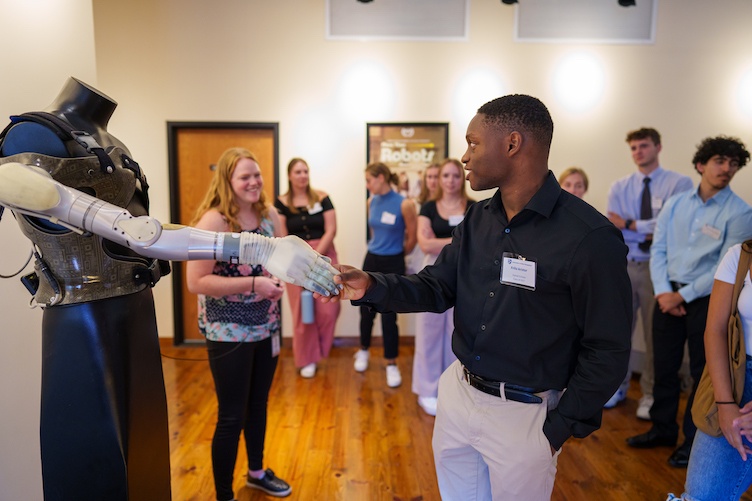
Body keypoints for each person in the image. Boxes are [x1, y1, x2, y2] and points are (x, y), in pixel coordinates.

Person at [323, 95, 632, 500]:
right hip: (458, 393)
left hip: (525, 415)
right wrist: (371, 285)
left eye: (473, 143)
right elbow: (437, 285)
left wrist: (558, 428)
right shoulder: (478, 218)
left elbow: (608, 348)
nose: (465, 158)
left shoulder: (589, 238)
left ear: (512, 144)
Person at [627, 136, 752, 469]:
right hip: (666, 295)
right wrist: (665, 292)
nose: (727, 169)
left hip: (708, 301)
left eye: (734, 163)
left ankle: (689, 441)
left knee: (701, 374)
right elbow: (660, 249)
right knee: (663, 367)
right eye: (720, 161)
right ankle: (662, 429)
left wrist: (681, 295)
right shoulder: (676, 203)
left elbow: (726, 267)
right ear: (701, 164)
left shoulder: (740, 212)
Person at [186, 147, 292, 500]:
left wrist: (276, 282)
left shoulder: (270, 217)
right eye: (244, 177)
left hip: (266, 326)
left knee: (258, 405)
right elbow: (196, 282)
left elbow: (280, 263)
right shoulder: (214, 223)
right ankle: (223, 494)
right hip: (227, 332)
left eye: (256, 175)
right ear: (228, 182)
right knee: (232, 415)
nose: (253, 182)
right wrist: (253, 284)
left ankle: (257, 472)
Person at [606, 128, 693, 416]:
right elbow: (613, 226)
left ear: (658, 147)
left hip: (659, 268)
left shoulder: (679, 184)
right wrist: (648, 228)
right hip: (625, 266)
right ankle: (617, 387)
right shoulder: (620, 187)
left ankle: (650, 395)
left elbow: (672, 226)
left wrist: (631, 225)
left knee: (656, 338)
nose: (638, 152)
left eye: (644, 146)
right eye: (633, 147)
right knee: (618, 332)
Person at [667, 241, 752, 500]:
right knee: (701, 495)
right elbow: (715, 331)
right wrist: (725, 404)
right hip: (736, 379)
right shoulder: (740, 256)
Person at [413, 158, 472, 416]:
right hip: (432, 272)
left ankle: (453, 389)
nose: (450, 181)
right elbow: (424, 246)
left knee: (456, 332)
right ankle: (427, 389)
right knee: (428, 331)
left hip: (464, 274)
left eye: (455, 176)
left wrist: (440, 240)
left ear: (462, 178)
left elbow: (477, 243)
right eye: (446, 176)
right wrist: (459, 240)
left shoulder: (473, 207)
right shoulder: (428, 207)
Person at [275, 157, 341, 378]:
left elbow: (331, 229)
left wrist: (316, 256)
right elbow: (282, 236)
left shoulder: (322, 198)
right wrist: (303, 257)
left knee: (329, 309)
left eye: (305, 171)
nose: (303, 175)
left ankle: (319, 351)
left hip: (325, 256)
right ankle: (307, 359)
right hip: (294, 260)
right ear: (290, 176)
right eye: (298, 172)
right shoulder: (281, 203)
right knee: (302, 312)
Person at [354, 162, 417, 388]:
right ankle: (363, 350)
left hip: (393, 262)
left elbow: (412, 237)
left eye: (369, 180)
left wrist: (399, 256)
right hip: (371, 258)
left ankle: (391, 362)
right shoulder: (371, 201)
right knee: (365, 309)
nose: (367, 184)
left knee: (389, 314)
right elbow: (374, 232)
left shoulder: (405, 204)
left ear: (381, 178)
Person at [405, 162, 440, 275]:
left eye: (436, 177)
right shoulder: (417, 202)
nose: (432, 181)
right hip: (419, 251)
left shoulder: (445, 203)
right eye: (429, 177)